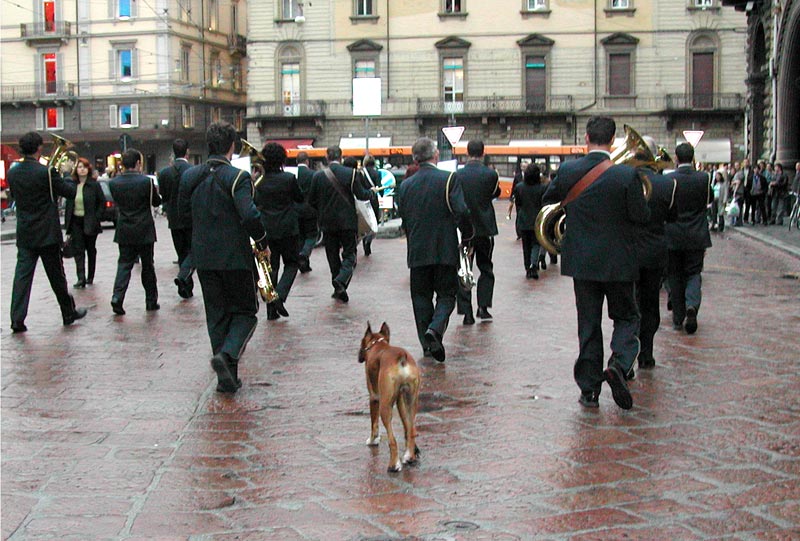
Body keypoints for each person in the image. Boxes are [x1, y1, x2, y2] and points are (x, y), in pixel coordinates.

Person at [542, 116, 649, 410]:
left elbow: (548, 200)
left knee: (588, 325)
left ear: (586, 138)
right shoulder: (627, 176)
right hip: (619, 262)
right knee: (627, 317)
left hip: (583, 263)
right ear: (613, 141)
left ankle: (589, 390)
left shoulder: (568, 170)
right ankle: (619, 362)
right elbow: (641, 217)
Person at [178, 122, 268, 393]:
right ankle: (228, 356)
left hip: (204, 257)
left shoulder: (190, 176)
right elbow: (250, 215)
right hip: (235, 257)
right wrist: (262, 241)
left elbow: (182, 215)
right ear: (232, 146)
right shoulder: (238, 178)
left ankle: (226, 379)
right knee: (246, 313)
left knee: (216, 316)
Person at [397, 137, 471, 362]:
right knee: (447, 294)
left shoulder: (406, 185)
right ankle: (435, 330)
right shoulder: (449, 179)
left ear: (415, 158)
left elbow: (404, 218)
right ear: (436, 155)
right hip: (444, 249)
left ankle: (427, 344)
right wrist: (467, 236)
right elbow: (462, 212)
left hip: (417, 250)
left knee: (420, 297)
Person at [8, 131, 88, 332]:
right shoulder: (47, 172)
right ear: (38, 149)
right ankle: (68, 312)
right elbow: (70, 192)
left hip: (25, 232)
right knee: (57, 276)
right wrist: (66, 174)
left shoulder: (13, 171)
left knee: (22, 277)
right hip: (47, 233)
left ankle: (17, 319)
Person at [633, 139, 677, 374]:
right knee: (650, 304)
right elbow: (672, 217)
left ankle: (627, 354)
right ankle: (646, 354)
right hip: (655, 252)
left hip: (629, 252)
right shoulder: (666, 184)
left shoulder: (624, 179)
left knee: (630, 304)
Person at [308, 145, 372, 303]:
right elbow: (362, 195)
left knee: (332, 254)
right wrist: (372, 192)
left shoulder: (318, 176)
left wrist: (322, 211)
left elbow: (311, 201)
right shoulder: (351, 174)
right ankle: (342, 280)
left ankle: (337, 285)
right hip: (347, 221)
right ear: (341, 157)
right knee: (350, 254)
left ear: (327, 157)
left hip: (327, 223)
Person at [664, 142, 713, 335]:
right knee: (693, 273)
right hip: (696, 234)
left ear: (676, 158)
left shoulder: (670, 179)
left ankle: (678, 317)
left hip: (673, 235)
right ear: (692, 158)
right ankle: (692, 305)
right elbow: (708, 201)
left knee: (674, 275)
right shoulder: (704, 178)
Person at [108, 149, 162, 315]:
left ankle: (117, 297)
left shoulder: (114, 183)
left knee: (124, 265)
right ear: (138, 163)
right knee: (147, 266)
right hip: (144, 228)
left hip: (125, 228)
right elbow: (155, 202)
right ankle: (151, 300)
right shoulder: (145, 182)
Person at [253, 142, 304, 320]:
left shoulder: (258, 181)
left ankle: (270, 310)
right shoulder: (289, 178)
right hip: (288, 227)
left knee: (269, 268)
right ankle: (280, 295)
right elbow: (299, 197)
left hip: (266, 228)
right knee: (291, 263)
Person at [455, 140, 501, 325]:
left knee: (464, 269)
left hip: (465, 229)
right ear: (483, 153)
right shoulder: (491, 174)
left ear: (467, 152)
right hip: (485, 227)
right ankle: (483, 307)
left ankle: (467, 312)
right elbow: (494, 193)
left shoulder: (458, 175)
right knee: (486, 268)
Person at [157, 139, 195, 298]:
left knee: (181, 253)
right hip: (191, 218)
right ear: (187, 152)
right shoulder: (193, 170)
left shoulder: (165, 173)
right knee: (193, 251)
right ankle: (185, 280)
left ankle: (185, 287)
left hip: (174, 218)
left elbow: (164, 196)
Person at [64, 157, 106, 288]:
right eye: (79, 167)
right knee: (78, 250)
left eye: (84, 167)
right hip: (76, 221)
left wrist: (96, 217)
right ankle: (80, 278)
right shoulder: (72, 185)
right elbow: (68, 205)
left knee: (90, 249)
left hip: (90, 221)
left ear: (88, 169)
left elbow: (102, 202)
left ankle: (90, 276)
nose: (81, 169)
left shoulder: (94, 185)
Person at [510, 163, 547, 279]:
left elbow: (518, 203)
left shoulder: (519, 187)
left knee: (526, 246)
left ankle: (527, 267)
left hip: (524, 220)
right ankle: (533, 264)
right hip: (537, 220)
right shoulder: (542, 188)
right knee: (536, 243)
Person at [295, 151, 317, 273]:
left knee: (301, 237)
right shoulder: (313, 174)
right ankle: (304, 254)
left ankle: (304, 265)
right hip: (310, 209)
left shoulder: (292, 174)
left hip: (296, 210)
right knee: (312, 235)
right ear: (307, 161)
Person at [360, 155, 381, 256]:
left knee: (365, 221)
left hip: (363, 199)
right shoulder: (377, 173)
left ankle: (365, 238)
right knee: (374, 222)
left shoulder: (361, 173)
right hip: (373, 199)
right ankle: (369, 239)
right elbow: (379, 187)